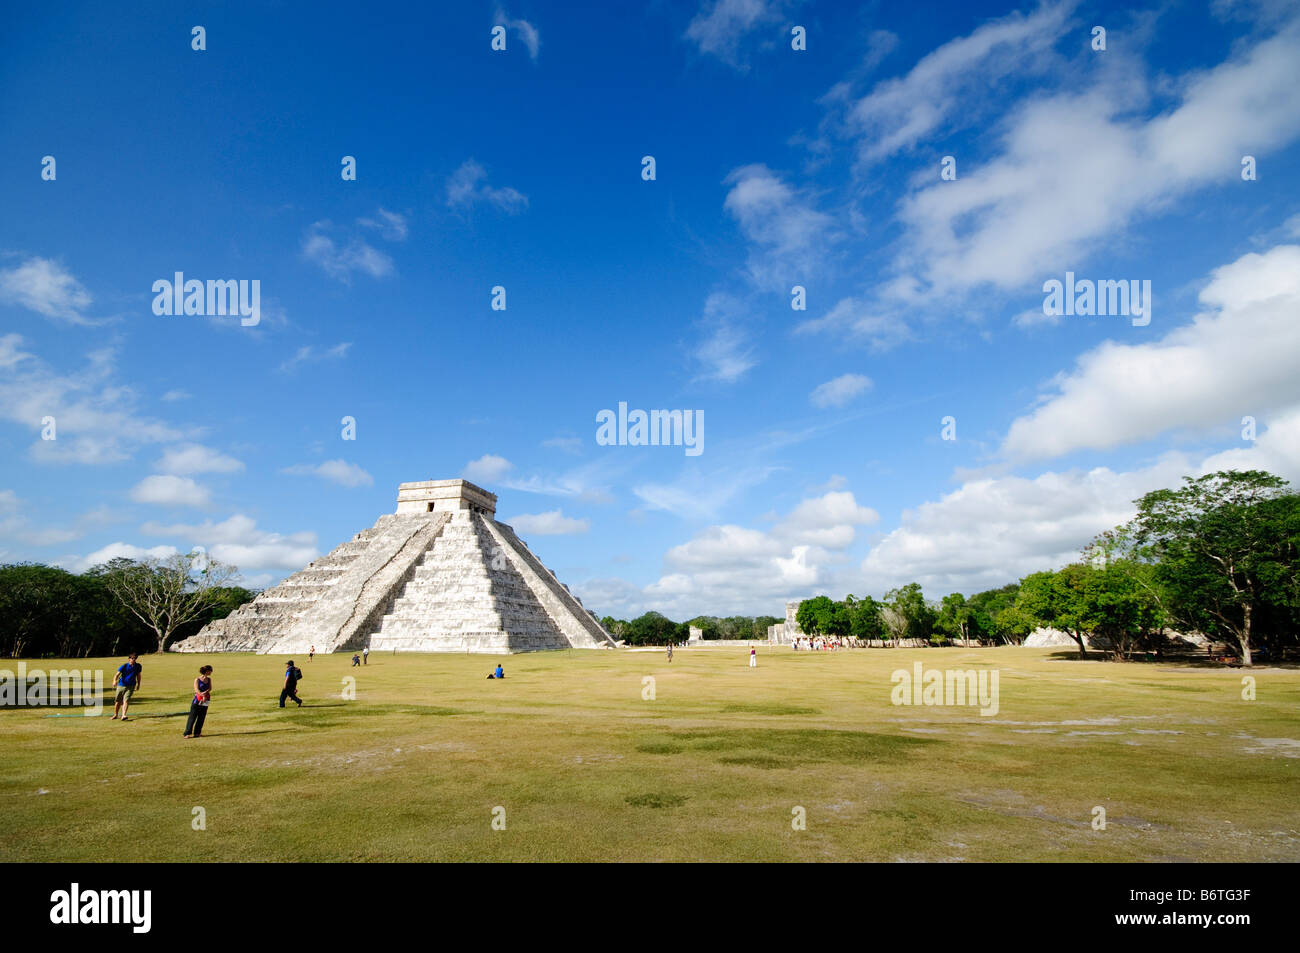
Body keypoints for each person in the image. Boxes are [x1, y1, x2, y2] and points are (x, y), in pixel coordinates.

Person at [184, 665, 213, 739]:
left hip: (206, 699)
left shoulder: (209, 679)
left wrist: (206, 693)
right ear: (206, 671)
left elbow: (210, 688)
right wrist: (202, 696)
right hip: (197, 699)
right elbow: (196, 690)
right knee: (192, 716)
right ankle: (187, 733)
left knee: (202, 716)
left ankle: (197, 732)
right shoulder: (197, 679)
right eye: (210, 670)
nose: (211, 672)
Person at [112, 654, 143, 720]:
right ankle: (116, 714)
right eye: (132, 658)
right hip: (121, 685)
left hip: (131, 686)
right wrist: (114, 681)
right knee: (118, 701)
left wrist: (138, 684)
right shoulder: (124, 666)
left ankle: (123, 715)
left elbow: (138, 676)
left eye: (135, 658)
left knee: (126, 700)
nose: (133, 660)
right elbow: (117, 675)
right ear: (129, 659)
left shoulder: (138, 666)